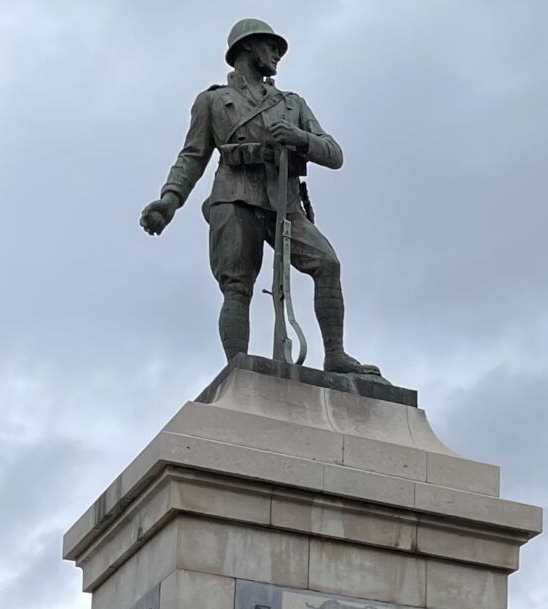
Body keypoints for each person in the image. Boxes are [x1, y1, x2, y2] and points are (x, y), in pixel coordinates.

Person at [140, 19, 383, 375]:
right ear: (248, 47)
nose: (277, 56)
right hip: (234, 195)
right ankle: (238, 368)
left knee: (327, 263)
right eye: (272, 47)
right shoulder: (212, 101)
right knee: (237, 286)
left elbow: (334, 153)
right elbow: (192, 156)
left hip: (282, 199)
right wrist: (169, 200)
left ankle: (335, 354)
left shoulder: (292, 104)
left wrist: (299, 138)